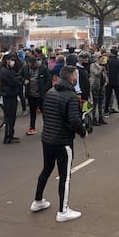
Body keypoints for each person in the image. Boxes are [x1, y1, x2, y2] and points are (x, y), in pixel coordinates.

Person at [30, 66, 87, 222]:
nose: (76, 76)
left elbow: (47, 114)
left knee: (47, 169)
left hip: (47, 138)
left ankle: (38, 201)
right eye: (75, 74)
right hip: (62, 141)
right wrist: (83, 132)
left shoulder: (50, 92)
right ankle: (63, 211)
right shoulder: (70, 96)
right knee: (65, 176)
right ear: (71, 78)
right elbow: (75, 120)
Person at [21, 57, 52, 135]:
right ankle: (32, 127)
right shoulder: (25, 68)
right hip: (31, 94)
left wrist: (45, 89)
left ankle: (47, 128)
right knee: (32, 112)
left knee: (44, 111)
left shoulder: (43, 68)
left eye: (33, 65)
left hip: (41, 94)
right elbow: (20, 76)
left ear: (36, 63)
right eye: (30, 65)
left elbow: (49, 79)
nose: (31, 67)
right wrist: (24, 80)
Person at [0, 54, 21, 144]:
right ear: (7, 61)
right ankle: (8, 136)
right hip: (9, 95)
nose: (12, 62)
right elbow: (13, 81)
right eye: (10, 60)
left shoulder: (6, 70)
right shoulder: (5, 71)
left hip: (9, 94)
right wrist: (21, 80)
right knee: (10, 117)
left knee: (11, 116)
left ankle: (10, 134)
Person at [104, 47, 119, 118]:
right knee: (118, 98)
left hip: (109, 81)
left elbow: (105, 71)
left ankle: (106, 112)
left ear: (111, 53)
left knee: (108, 97)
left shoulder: (107, 61)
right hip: (117, 82)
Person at [89, 53, 108, 126]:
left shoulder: (102, 66)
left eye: (102, 58)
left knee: (101, 102)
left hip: (101, 85)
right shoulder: (93, 65)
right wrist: (101, 68)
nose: (102, 59)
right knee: (95, 102)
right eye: (100, 58)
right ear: (96, 59)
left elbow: (105, 74)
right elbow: (96, 73)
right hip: (95, 86)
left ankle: (101, 117)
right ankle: (93, 118)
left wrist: (106, 79)